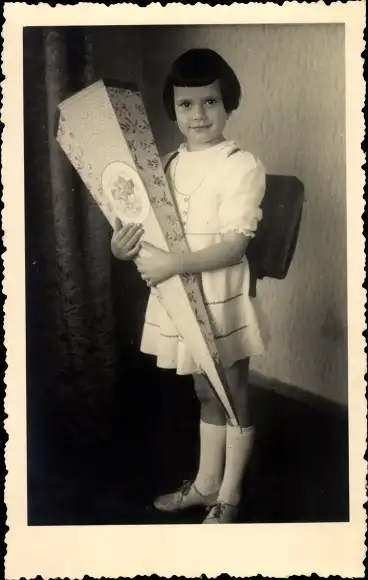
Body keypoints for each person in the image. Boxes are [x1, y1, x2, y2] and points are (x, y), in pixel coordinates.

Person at [111, 48, 266, 523]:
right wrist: (123, 247)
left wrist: (172, 264)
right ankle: (205, 484)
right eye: (186, 104)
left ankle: (231, 496)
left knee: (231, 388)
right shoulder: (168, 164)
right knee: (204, 390)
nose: (198, 114)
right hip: (180, 293)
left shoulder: (241, 164)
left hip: (220, 295)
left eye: (210, 102)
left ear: (228, 103)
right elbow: (145, 231)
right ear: (172, 107)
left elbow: (234, 248)